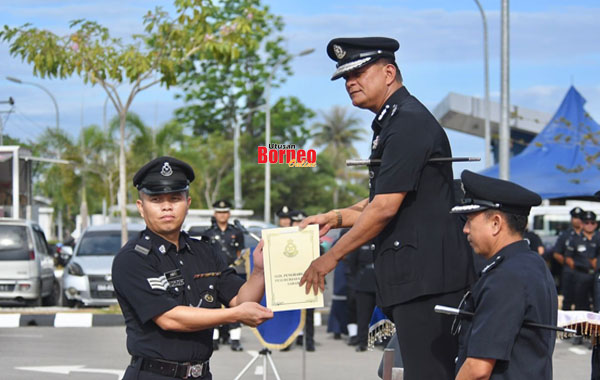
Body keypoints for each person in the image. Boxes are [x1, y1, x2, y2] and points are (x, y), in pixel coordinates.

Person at [299, 37, 475, 379]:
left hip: (429, 282)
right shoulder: (393, 121)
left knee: (428, 374)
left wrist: (330, 257)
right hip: (416, 280)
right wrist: (334, 218)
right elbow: (383, 197)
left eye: (360, 72)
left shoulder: (408, 123)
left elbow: (383, 208)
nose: (351, 82)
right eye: (346, 77)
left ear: (389, 72)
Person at [112, 156, 272, 380]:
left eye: (175, 198)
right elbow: (169, 318)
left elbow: (242, 301)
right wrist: (234, 315)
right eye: (156, 199)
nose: (167, 206)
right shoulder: (132, 259)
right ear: (141, 207)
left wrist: (259, 271)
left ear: (187, 203)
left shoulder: (205, 252)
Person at [451, 170, 557, 380]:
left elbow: (478, 368)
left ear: (496, 223)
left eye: (470, 220)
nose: (465, 229)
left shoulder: (506, 276)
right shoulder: (531, 263)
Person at [204, 199, 246, 351]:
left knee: (234, 305)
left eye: (225, 212)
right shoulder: (208, 233)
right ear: (215, 214)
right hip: (214, 273)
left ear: (229, 214)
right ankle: (214, 339)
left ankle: (235, 340)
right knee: (213, 305)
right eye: (219, 212)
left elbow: (239, 253)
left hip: (231, 272)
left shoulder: (236, 232)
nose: (222, 215)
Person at [553, 207, 584, 311]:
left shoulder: (589, 233)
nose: (578, 220)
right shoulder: (565, 235)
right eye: (575, 217)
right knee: (567, 301)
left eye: (580, 217)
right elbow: (557, 253)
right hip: (569, 272)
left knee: (583, 302)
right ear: (571, 219)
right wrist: (567, 264)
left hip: (585, 273)